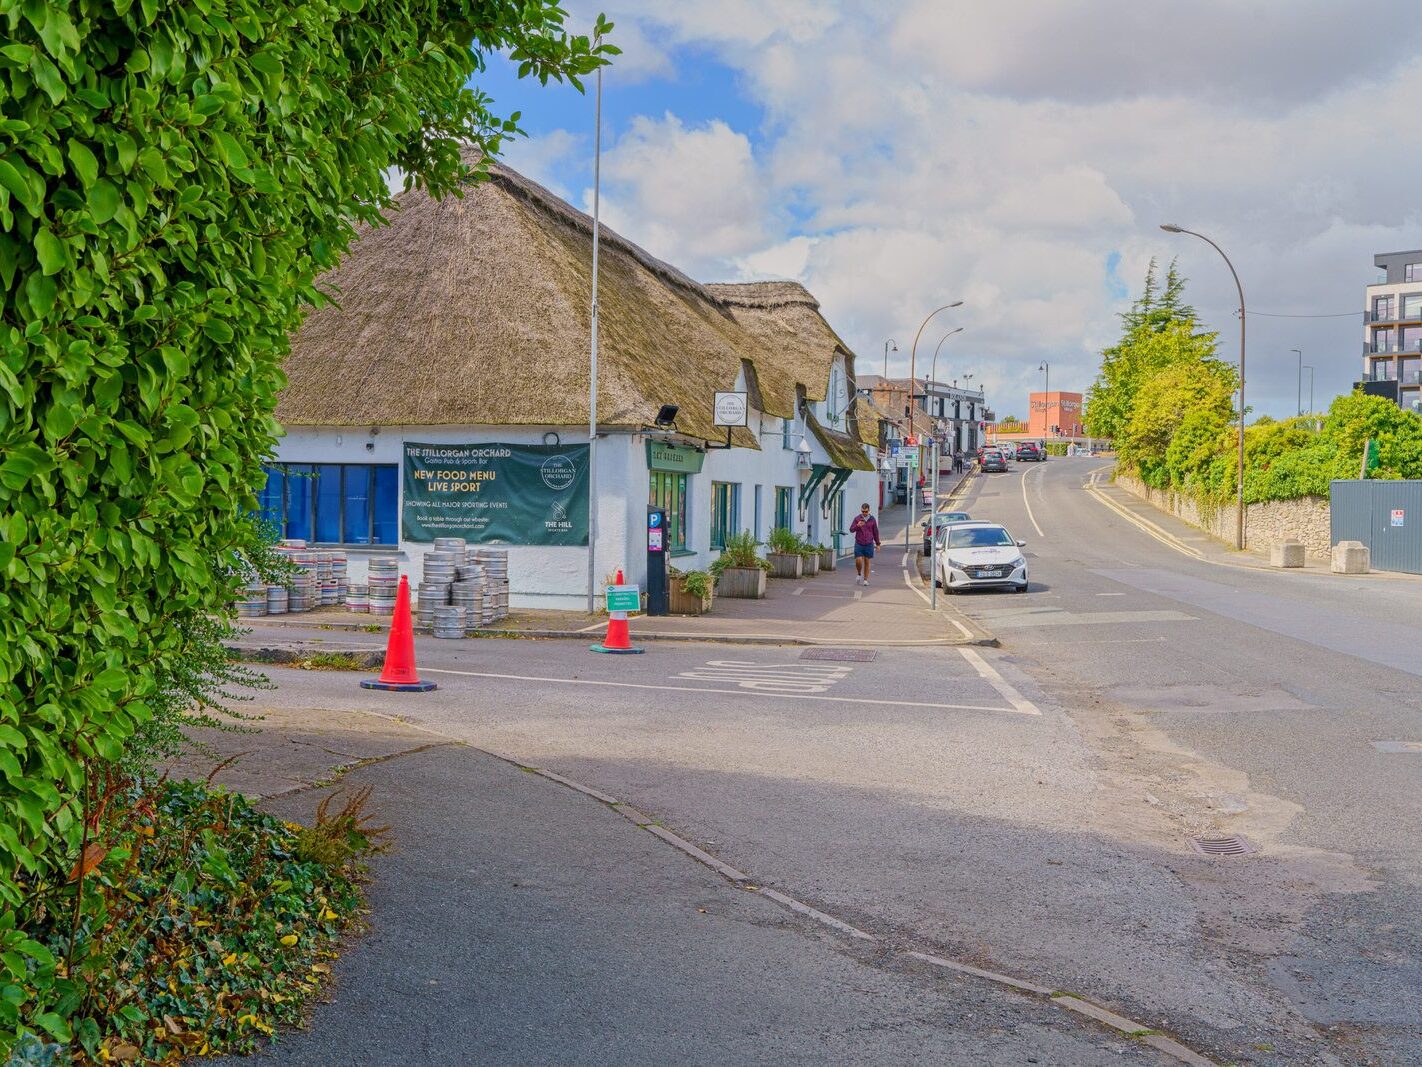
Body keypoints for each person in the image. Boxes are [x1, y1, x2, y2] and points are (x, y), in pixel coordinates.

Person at [849, 503, 881, 586]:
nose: (864, 513)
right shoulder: (857, 519)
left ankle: (865, 580)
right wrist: (857, 526)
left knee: (867, 561)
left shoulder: (872, 519)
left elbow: (875, 532)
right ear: (861, 510)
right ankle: (859, 573)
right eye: (863, 511)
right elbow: (851, 530)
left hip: (869, 543)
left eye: (866, 511)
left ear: (869, 510)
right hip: (859, 542)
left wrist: (878, 544)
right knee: (858, 560)